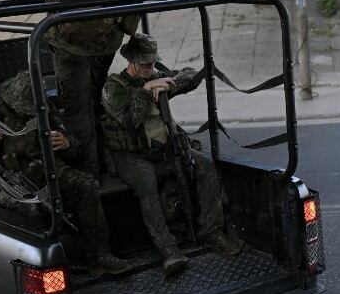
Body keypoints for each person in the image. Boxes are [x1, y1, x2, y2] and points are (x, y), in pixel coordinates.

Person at [45, 0, 183, 175]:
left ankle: (90, 176)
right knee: (98, 102)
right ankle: (103, 168)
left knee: (75, 112)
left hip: (64, 40)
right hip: (102, 43)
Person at [0, 71, 132, 273]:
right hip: (7, 182)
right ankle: (45, 268)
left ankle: (99, 255)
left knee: (85, 185)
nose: (28, 115)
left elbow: (73, 145)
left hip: (44, 173)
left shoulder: (42, 107)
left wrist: (66, 143)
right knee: (31, 210)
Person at [101, 34, 243, 277]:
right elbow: (129, 122)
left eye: (152, 63)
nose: (149, 68)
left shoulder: (155, 76)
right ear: (132, 62)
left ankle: (212, 232)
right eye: (145, 64)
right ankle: (168, 250)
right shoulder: (114, 87)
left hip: (164, 149)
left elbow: (191, 75)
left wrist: (169, 83)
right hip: (131, 156)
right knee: (146, 184)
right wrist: (146, 92)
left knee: (206, 166)